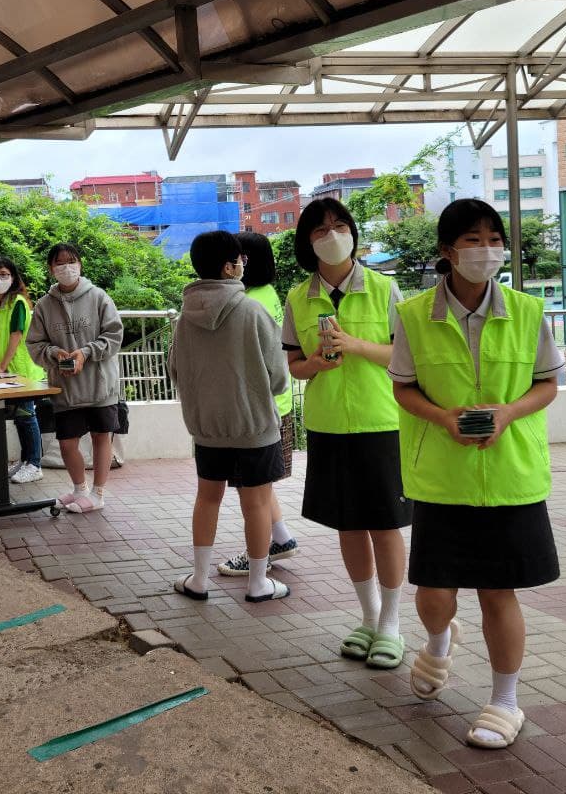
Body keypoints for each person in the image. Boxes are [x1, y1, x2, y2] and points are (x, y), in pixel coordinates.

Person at [390, 198, 564, 750]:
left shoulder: (529, 311)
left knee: (498, 590)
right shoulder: (414, 315)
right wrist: (442, 418)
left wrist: (507, 413)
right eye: (472, 239)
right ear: (447, 251)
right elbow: (403, 386)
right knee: (435, 590)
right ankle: (438, 645)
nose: (486, 249)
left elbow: (547, 383)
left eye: (494, 238)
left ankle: (505, 702)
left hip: (510, 475)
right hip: (442, 477)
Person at [282, 197, 410, 669]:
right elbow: (295, 366)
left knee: (386, 523)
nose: (331, 234)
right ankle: (369, 616)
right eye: (320, 229)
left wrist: (355, 345)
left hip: (381, 421)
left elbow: (405, 357)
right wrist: (316, 362)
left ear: (354, 233)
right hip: (328, 423)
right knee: (349, 524)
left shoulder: (384, 288)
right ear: (307, 241)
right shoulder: (298, 297)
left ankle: (393, 623)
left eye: (339, 225)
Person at [168, 231, 291, 603]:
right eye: (240, 259)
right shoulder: (253, 311)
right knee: (255, 504)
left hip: (207, 429)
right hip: (254, 427)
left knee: (208, 498)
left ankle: (199, 580)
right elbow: (279, 378)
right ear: (229, 266)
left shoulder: (184, 318)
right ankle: (257, 584)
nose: (243, 265)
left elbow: (175, 370)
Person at [217, 231, 300, 578]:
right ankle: (279, 540)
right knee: (259, 488)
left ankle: (259, 556)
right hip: (273, 405)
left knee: (252, 491)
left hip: (258, 408)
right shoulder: (264, 294)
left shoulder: (251, 301)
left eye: (236, 256)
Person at [26, 242, 123, 513]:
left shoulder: (99, 297)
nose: (66, 267)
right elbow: (34, 344)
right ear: (51, 268)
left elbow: (114, 335)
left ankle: (98, 493)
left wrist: (86, 352)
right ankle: (80, 489)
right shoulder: (45, 306)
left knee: (101, 437)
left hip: (100, 384)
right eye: (60, 263)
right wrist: (56, 354)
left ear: (80, 264)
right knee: (67, 443)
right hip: (66, 388)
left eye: (71, 261)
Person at [0, 256, 46, 484]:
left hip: (22, 370)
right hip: (7, 371)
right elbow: (0, 339)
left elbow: (16, 336)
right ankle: (26, 461)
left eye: (4, 275)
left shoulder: (18, 304)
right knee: (20, 418)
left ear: (13, 278)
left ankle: (34, 464)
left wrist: (1, 366)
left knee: (27, 416)